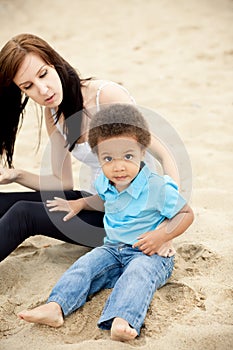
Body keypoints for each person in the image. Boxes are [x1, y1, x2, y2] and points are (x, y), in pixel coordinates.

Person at [18, 104, 194, 342]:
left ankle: (123, 319)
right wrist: (80, 204)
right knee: (85, 266)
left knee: (138, 275)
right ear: (98, 158)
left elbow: (185, 214)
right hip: (112, 249)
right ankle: (56, 307)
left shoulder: (157, 186)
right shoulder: (105, 181)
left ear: (143, 152)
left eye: (128, 156)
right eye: (108, 158)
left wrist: (162, 236)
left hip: (149, 253)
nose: (118, 166)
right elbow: (103, 199)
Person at [0, 33, 179, 262]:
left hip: (131, 220)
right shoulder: (53, 114)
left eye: (43, 74)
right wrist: (16, 175)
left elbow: (165, 155)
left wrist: (168, 227)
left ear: (55, 63)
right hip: (97, 201)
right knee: (3, 202)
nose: (43, 90)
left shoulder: (105, 97)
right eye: (28, 86)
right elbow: (61, 183)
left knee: (23, 214)